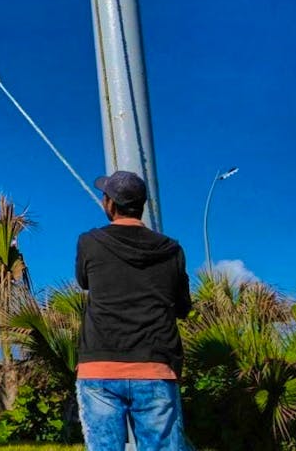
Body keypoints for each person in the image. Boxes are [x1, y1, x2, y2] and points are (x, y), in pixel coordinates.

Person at [75, 170, 191, 450]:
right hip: (155, 364)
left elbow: (84, 281)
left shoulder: (90, 243)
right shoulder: (172, 250)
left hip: (100, 366)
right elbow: (183, 307)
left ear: (110, 204)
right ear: (143, 205)